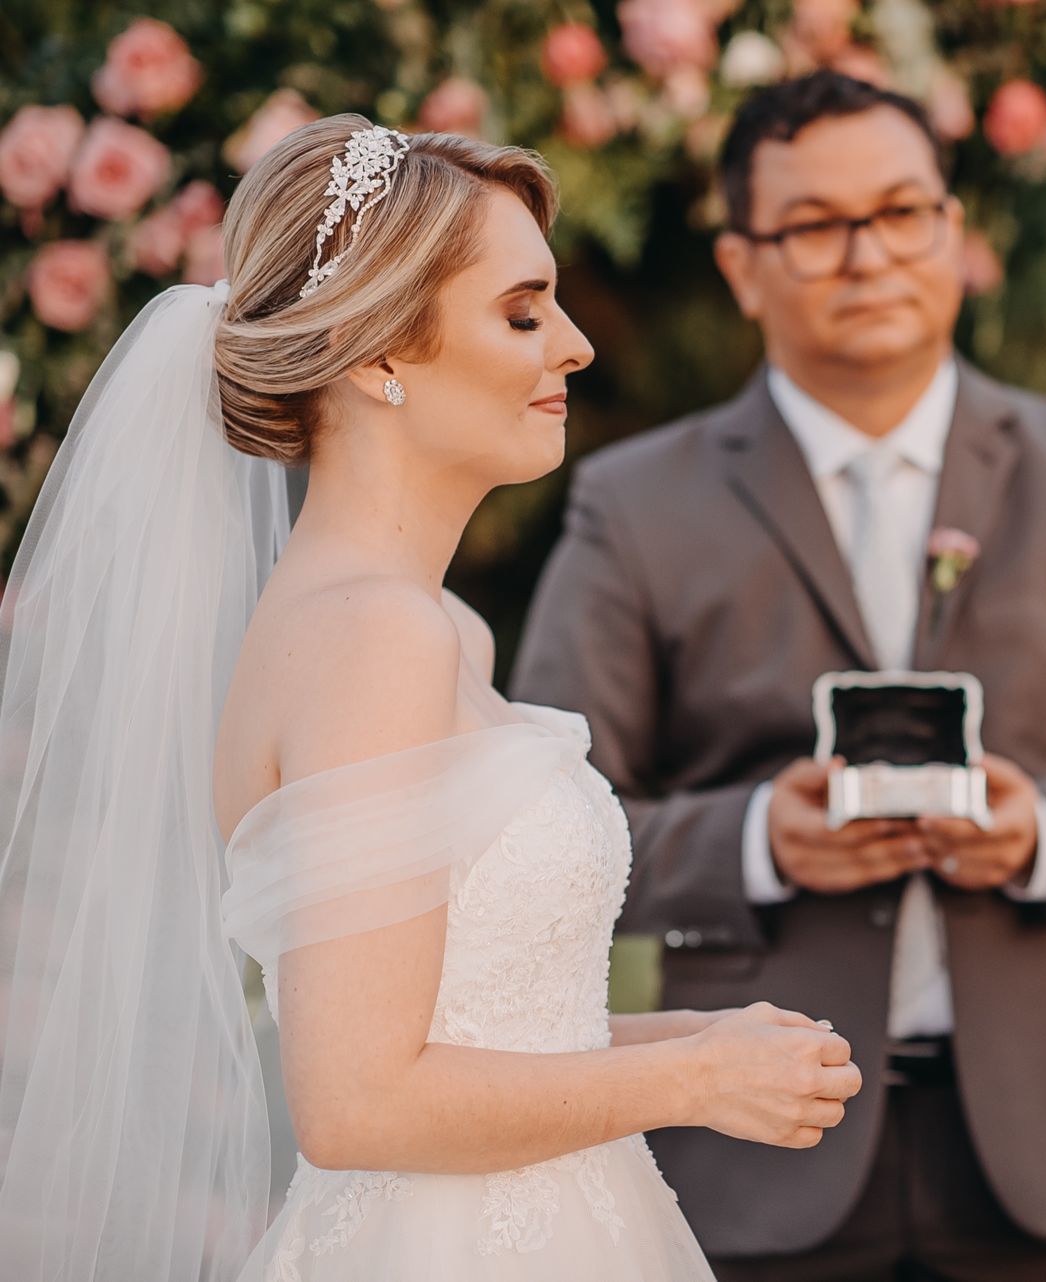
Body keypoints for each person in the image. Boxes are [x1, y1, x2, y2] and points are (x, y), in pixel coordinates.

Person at [0, 115, 860, 1282]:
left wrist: (704, 1034)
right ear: (380, 355)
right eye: (522, 313)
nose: (574, 346)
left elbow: (475, 1032)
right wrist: (691, 1082)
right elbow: (357, 1099)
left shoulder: (430, 623)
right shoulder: (373, 637)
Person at [513, 71, 1046, 1282]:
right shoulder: (634, 505)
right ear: (743, 265)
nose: (867, 255)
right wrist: (760, 839)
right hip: (752, 1147)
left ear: (956, 236)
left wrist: (1043, 835)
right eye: (814, 226)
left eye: (902, 212)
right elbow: (549, 830)